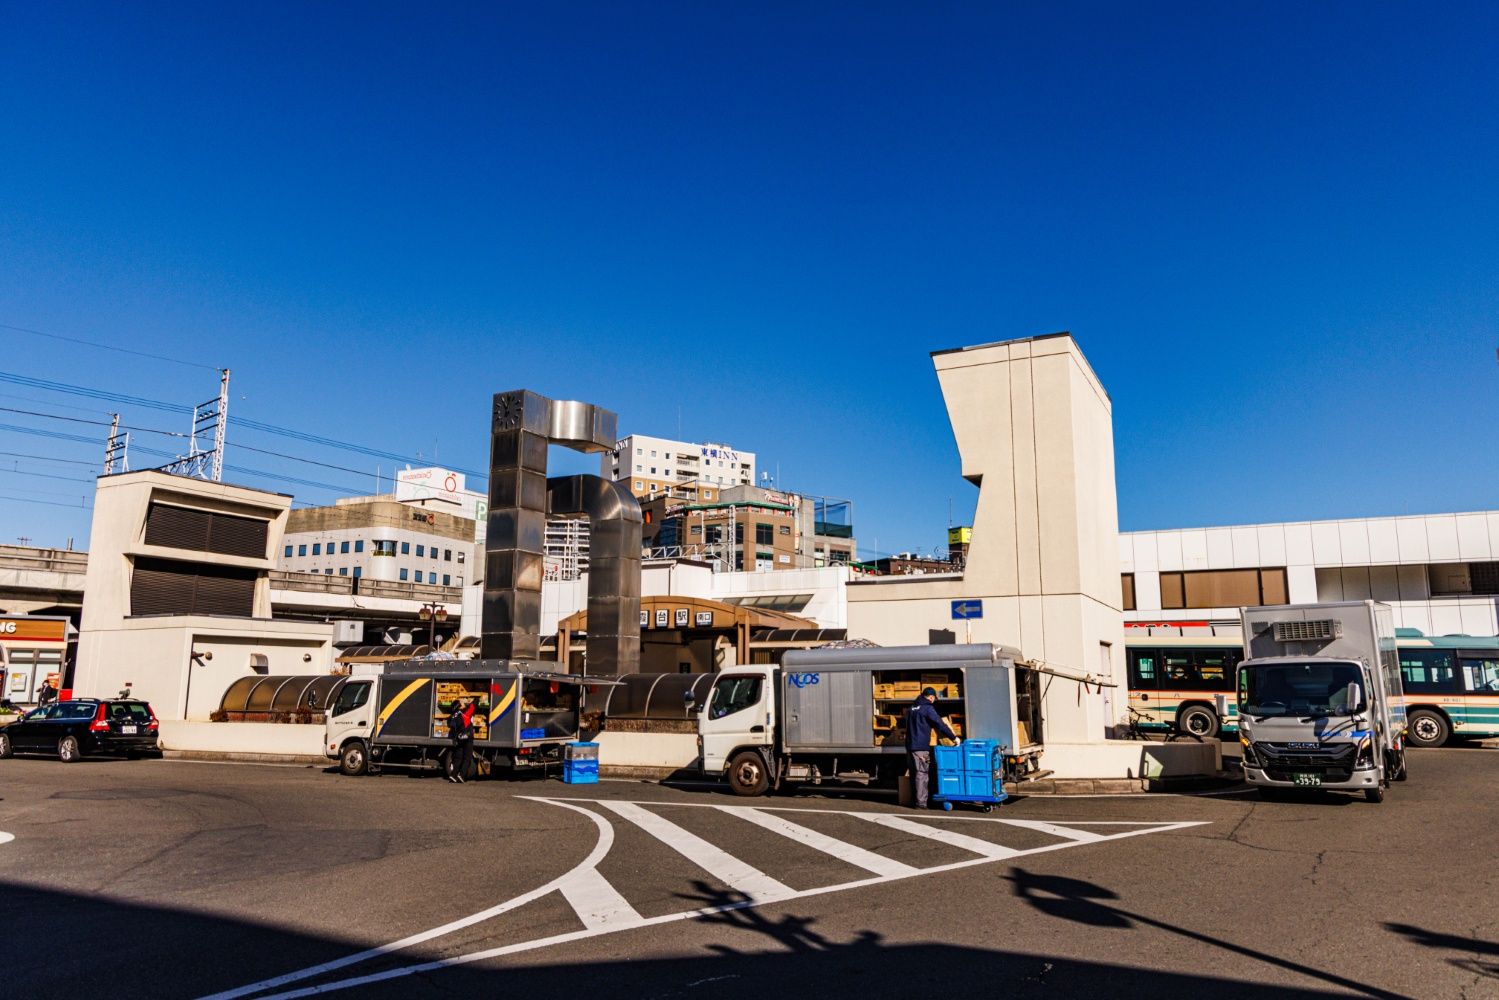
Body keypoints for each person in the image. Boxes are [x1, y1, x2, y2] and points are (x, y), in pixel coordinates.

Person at [905, 686, 957, 809]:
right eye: (934, 699)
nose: (934, 701)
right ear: (931, 697)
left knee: (915, 774)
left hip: (910, 746)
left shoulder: (911, 708)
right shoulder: (927, 708)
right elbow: (940, 724)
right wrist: (953, 737)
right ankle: (921, 803)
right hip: (921, 746)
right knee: (922, 774)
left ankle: (915, 800)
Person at [446, 698, 476, 783]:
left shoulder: (451, 717)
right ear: (460, 706)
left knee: (458, 758)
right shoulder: (465, 712)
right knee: (467, 758)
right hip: (467, 738)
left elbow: (449, 725)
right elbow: (474, 704)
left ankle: (453, 775)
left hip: (458, 739)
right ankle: (462, 775)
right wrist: (468, 702)